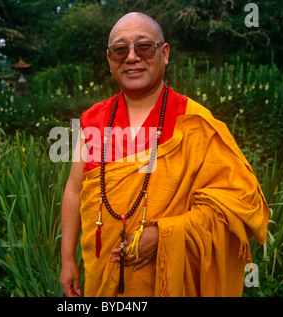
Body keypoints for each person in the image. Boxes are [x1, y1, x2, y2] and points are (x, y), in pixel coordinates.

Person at [59, 12, 269, 297]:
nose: (131, 57)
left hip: (171, 280)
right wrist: (67, 260)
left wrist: (165, 235)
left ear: (165, 53)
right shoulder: (92, 119)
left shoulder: (194, 120)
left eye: (143, 47)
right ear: (110, 61)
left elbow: (236, 201)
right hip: (100, 273)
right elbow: (73, 190)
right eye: (120, 50)